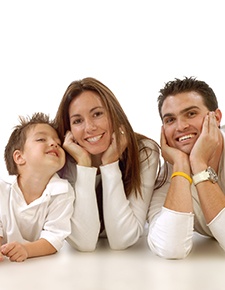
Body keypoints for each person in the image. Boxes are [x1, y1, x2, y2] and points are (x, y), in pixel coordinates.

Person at [54, 77, 162, 251]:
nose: (89, 127)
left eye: (97, 114)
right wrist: (84, 165)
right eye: (77, 121)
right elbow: (84, 242)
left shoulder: (144, 152)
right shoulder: (62, 160)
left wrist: (110, 164)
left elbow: (123, 240)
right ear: (69, 130)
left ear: (113, 114)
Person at [147, 76, 225, 259]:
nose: (181, 126)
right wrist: (182, 165)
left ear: (216, 117)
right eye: (170, 120)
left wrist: (198, 164)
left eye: (191, 114)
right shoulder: (171, 173)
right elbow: (170, 248)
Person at [0, 113, 74, 262]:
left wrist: (26, 250)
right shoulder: (3, 188)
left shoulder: (62, 191)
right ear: (19, 157)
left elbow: (54, 237)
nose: (54, 144)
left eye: (58, 144)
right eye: (41, 139)